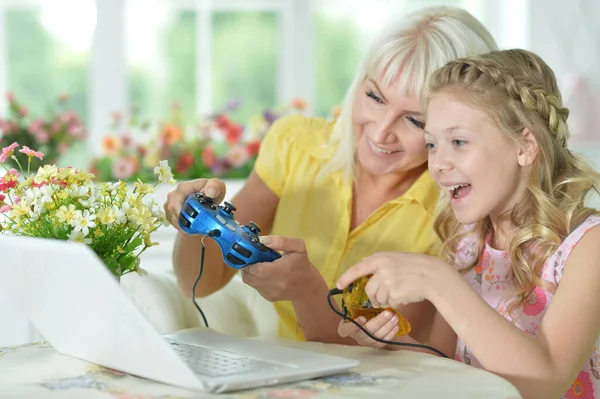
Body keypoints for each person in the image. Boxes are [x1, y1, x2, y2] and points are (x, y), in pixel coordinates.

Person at [163, 5, 497, 344]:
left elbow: (395, 355)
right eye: (375, 97)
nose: (381, 133)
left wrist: (308, 292)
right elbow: (200, 282)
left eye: (415, 121)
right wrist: (193, 218)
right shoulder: (295, 145)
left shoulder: (458, 209)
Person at [337, 48, 600, 398]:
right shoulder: (468, 243)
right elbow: (449, 365)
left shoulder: (587, 247)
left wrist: (440, 282)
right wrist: (393, 341)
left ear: (525, 146)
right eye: (432, 144)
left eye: (458, 142)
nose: (439, 163)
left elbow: (546, 382)